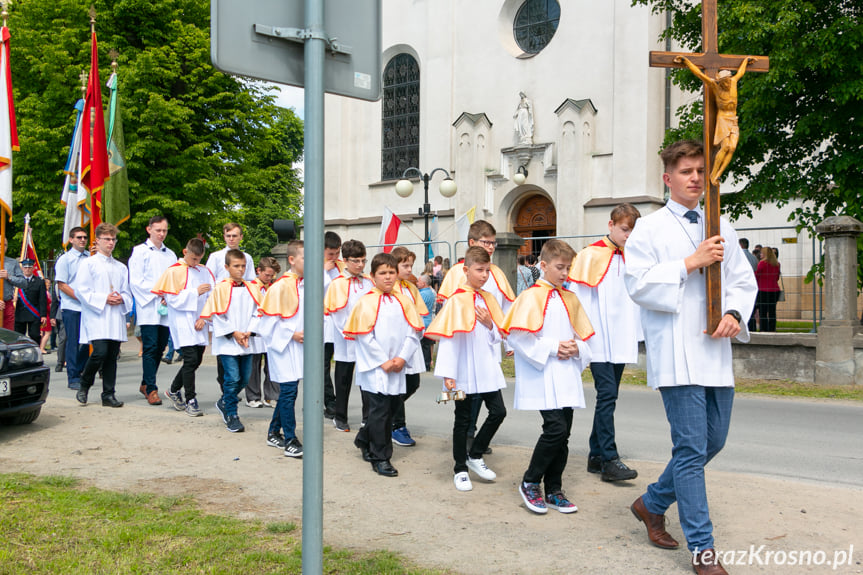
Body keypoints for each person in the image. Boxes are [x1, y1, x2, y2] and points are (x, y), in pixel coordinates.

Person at [624, 140, 757, 575]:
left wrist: (736, 312)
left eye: (701, 170)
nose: (696, 178)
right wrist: (688, 263)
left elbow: (742, 278)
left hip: (715, 348)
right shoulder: (650, 228)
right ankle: (703, 550)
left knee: (711, 442)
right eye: (686, 171)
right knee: (689, 446)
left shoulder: (722, 223)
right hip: (678, 351)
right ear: (668, 178)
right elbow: (638, 284)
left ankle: (653, 502)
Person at [503, 239, 594, 515]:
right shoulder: (530, 297)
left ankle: (554, 488)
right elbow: (518, 336)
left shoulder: (571, 298)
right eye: (560, 267)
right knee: (554, 429)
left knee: (563, 433)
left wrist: (578, 348)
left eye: (568, 268)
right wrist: (554, 347)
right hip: (543, 372)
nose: (565, 273)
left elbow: (585, 338)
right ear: (543, 266)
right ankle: (531, 481)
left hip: (565, 374)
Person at [568, 203, 642, 482]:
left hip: (620, 336)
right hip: (597, 338)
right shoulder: (590, 255)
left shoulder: (632, 256)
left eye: (632, 231)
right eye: (624, 229)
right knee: (607, 394)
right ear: (611, 225)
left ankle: (595, 455)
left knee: (609, 396)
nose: (628, 236)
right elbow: (578, 300)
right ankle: (609, 458)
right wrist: (580, 337)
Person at [426, 246, 507, 492]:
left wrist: (490, 324)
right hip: (461, 371)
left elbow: (498, 337)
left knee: (498, 412)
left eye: (487, 270)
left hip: (486, 368)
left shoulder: (489, 299)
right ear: (466, 270)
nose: (484, 275)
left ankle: (475, 454)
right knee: (462, 419)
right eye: (479, 270)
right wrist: (448, 374)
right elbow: (449, 339)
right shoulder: (455, 301)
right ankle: (460, 468)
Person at [344, 252, 423, 477]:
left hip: (397, 364)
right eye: (383, 273)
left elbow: (414, 331)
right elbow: (364, 335)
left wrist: (402, 357)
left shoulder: (404, 300)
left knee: (390, 408)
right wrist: (383, 361)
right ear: (373, 276)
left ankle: (363, 439)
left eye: (391, 272)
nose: (388, 277)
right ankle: (381, 457)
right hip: (376, 367)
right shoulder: (366, 301)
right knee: (379, 412)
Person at [251, 240, 305, 458]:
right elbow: (264, 323)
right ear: (292, 260)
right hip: (283, 346)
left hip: (300, 346)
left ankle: (273, 432)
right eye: (305, 257)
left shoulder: (307, 284)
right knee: (289, 390)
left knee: (289, 392)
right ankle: (290, 438)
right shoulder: (280, 287)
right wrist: (290, 334)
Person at [201, 249, 264, 433]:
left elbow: (258, 311)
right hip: (229, 341)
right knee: (232, 378)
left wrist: (249, 331)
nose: (240, 270)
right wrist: (234, 332)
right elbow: (217, 314)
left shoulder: (252, 287)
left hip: (246, 339)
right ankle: (232, 414)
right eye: (236, 266)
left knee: (244, 379)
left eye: (243, 266)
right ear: (227, 267)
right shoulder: (220, 288)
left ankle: (224, 402)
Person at [152, 238, 215, 417]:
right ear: (185, 252)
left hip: (200, 320)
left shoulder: (205, 271)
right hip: (183, 320)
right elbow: (172, 299)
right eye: (192, 258)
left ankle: (173, 390)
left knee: (197, 359)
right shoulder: (174, 271)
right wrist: (195, 292)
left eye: (198, 259)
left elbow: (212, 295)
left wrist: (205, 317)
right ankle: (190, 400)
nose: (195, 262)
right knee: (189, 359)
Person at [73, 223, 133, 408]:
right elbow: (81, 290)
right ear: (97, 241)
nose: (111, 243)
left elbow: (127, 291)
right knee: (99, 352)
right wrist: (103, 299)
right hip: (97, 315)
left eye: (113, 239)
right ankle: (84, 384)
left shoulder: (120, 267)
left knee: (112, 355)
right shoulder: (88, 263)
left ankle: (108, 394)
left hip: (114, 316)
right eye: (107, 239)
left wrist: (121, 298)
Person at [674, 56, 758, 185]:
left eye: (728, 80)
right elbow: (699, 73)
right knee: (726, 147)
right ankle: (714, 174)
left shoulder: (734, 83)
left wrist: (746, 61)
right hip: (723, 120)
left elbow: (741, 72)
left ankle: (719, 173)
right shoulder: (715, 86)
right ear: (720, 81)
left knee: (733, 148)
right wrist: (686, 61)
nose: (727, 83)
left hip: (733, 119)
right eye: (724, 81)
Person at [323, 239, 374, 432]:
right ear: (346, 260)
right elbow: (336, 312)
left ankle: (367, 416)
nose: (360, 265)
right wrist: (349, 331)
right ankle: (340, 415)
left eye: (363, 260)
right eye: (356, 261)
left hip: (366, 338)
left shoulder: (368, 281)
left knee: (366, 379)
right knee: (343, 378)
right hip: (345, 338)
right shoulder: (337, 284)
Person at [128, 215, 178, 406]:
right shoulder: (140, 252)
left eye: (164, 230)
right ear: (149, 230)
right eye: (158, 230)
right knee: (149, 346)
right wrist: (158, 292)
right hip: (149, 306)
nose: (162, 234)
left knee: (161, 346)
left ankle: (144, 382)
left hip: (165, 306)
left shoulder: (170, 255)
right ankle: (152, 388)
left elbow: (175, 279)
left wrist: (169, 294)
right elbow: (136, 281)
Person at [205, 222, 255, 395]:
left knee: (242, 373)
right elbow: (210, 280)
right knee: (226, 361)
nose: (232, 239)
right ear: (224, 237)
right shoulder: (216, 256)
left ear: (241, 237)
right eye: (228, 236)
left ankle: (229, 394)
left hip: (243, 303)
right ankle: (227, 393)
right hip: (223, 304)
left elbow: (251, 281)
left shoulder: (246, 257)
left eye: (235, 235)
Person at [388, 246, 429, 447]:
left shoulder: (411, 287)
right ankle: (397, 425)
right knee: (398, 384)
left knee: (412, 383)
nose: (409, 269)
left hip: (412, 341)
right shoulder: (389, 288)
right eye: (405, 265)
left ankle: (386, 414)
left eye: (411, 265)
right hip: (396, 343)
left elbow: (419, 312)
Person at [53, 227, 90, 389]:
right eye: (79, 237)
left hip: (89, 307)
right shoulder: (65, 260)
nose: (83, 240)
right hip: (72, 306)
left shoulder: (91, 257)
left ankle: (80, 369)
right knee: (73, 342)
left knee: (88, 341)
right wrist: (81, 298)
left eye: (85, 237)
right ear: (71, 239)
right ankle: (73, 377)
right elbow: (62, 284)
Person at [245, 256, 281, 408]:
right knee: (254, 365)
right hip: (254, 330)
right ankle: (253, 396)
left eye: (272, 275)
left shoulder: (273, 287)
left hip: (270, 331)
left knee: (271, 364)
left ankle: (271, 395)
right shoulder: (250, 287)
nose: (269, 278)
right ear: (258, 271)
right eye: (267, 275)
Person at [322, 231, 345, 419]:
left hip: (338, 323)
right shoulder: (313, 266)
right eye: (331, 254)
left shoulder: (341, 268)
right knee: (321, 366)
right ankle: (329, 402)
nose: (335, 258)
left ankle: (338, 403)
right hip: (320, 323)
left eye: (337, 253)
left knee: (341, 365)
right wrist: (323, 270)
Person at [7, 258, 47, 343]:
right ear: (22, 268)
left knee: (35, 335)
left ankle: (35, 353)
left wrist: (43, 315)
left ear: (33, 268)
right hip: (19, 312)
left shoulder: (39, 282)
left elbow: (42, 299)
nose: (27, 269)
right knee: (18, 336)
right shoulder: (17, 281)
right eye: (25, 267)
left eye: (30, 267)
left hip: (34, 313)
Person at [755, 246, 781, 332]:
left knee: (763, 311)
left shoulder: (762, 263)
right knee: (772, 311)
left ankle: (764, 328)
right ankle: (772, 328)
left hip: (763, 289)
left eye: (762, 253)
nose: (760, 254)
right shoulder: (777, 264)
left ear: (765, 254)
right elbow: (777, 277)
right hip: (775, 290)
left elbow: (757, 275)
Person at [416, 274, 436, 370]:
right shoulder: (430, 293)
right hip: (428, 320)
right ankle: (427, 364)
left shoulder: (422, 294)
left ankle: (425, 364)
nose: (417, 283)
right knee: (427, 345)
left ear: (423, 283)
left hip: (423, 320)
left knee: (424, 345)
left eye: (418, 282)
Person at [739, 238, 759, 332]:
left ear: (741, 245)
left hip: (741, 284)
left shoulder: (739, 255)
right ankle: (752, 328)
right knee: (751, 308)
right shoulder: (753, 257)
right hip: (752, 284)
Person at [0, 251, 23, 331]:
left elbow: (23, 283)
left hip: (7, 305)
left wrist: (9, 277)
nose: (2, 246)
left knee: (8, 336)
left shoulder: (13, 263)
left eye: (4, 244)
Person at [40, 278, 52, 353]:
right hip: (46, 314)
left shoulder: (46, 292)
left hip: (46, 313)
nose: (49, 285)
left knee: (42, 332)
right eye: (47, 283)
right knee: (47, 332)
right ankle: (42, 348)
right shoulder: (45, 293)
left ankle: (40, 347)